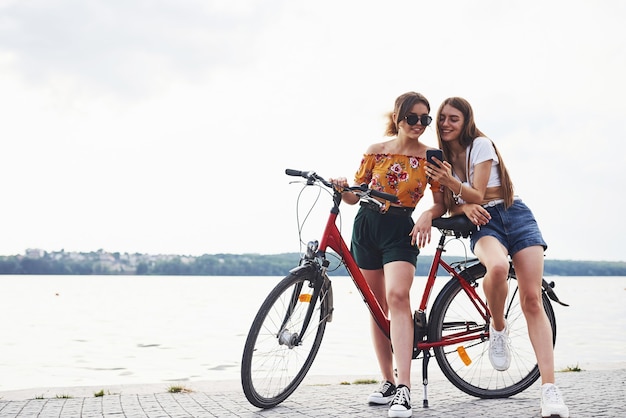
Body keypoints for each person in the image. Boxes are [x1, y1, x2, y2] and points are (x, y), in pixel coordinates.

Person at [425, 97, 570, 418]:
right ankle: (499, 327)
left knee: (532, 299)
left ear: (466, 122)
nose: (446, 123)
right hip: (484, 225)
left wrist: (456, 186)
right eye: (443, 118)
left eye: (454, 119)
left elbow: (476, 192)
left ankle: (550, 390)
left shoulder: (481, 145)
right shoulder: (442, 158)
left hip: (514, 215)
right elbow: (456, 204)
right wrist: (462, 204)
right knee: (499, 266)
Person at [331, 91, 446, 418]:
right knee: (376, 305)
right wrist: (343, 187)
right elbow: (356, 196)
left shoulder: (431, 157)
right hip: (366, 226)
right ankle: (387, 381)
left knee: (398, 298)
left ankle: (404, 389)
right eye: (413, 118)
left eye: (426, 119)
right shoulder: (375, 151)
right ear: (399, 118)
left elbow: (440, 202)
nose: (420, 124)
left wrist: (427, 215)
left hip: (401, 229)